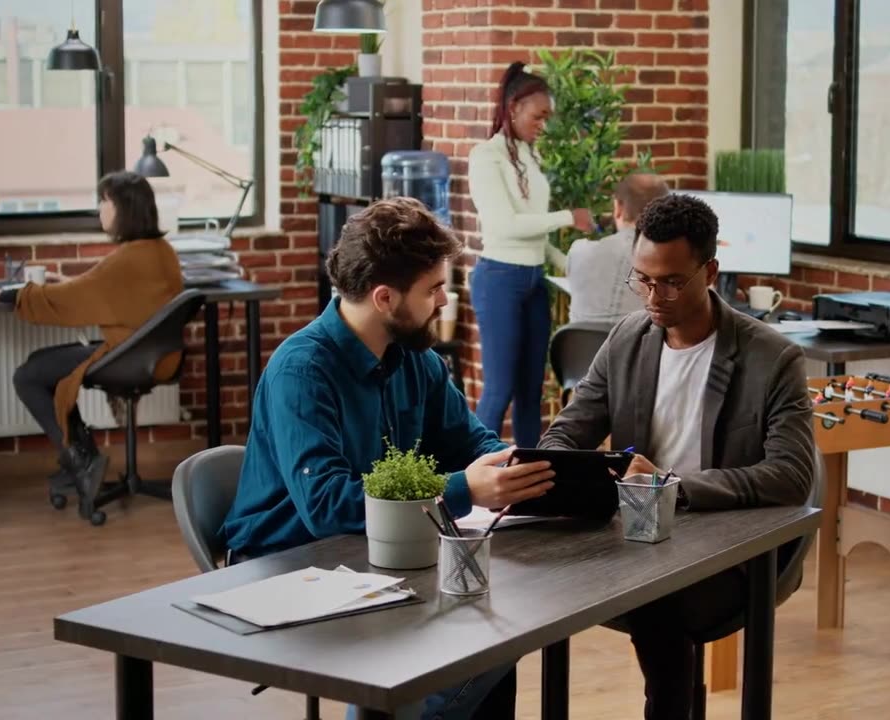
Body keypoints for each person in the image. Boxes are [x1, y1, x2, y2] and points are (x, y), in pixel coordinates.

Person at [220, 197, 556, 720]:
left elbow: (469, 441)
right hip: (289, 561)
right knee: (467, 644)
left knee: (494, 632)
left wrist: (517, 467)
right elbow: (328, 506)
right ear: (384, 297)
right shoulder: (302, 371)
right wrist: (464, 488)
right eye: (433, 290)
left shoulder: (415, 358)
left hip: (378, 553)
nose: (444, 301)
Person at [538, 193, 816, 720]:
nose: (652, 295)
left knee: (653, 598)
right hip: (640, 537)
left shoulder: (772, 357)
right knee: (549, 575)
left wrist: (672, 485)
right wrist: (566, 474)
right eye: (642, 278)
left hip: (730, 547)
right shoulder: (627, 340)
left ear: (710, 271)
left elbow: (792, 475)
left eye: (670, 281)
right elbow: (566, 434)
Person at [0, 171, 184, 508]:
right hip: (155, 356)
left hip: (127, 357)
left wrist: (3, 296)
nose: (99, 209)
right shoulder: (163, 252)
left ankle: (82, 461)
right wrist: (72, 283)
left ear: (123, 209)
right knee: (42, 365)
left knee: (29, 375)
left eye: (104, 202)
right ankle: (81, 458)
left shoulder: (126, 260)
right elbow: (114, 294)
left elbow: (75, 298)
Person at [467, 60, 595, 448]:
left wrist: (572, 264)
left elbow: (535, 233)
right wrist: (568, 217)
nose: (543, 125)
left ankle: (531, 475)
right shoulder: (485, 157)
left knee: (530, 391)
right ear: (513, 107)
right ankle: (472, 471)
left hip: (533, 280)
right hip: (499, 281)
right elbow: (506, 226)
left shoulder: (529, 155)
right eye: (538, 116)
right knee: (500, 388)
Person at [565, 171, 669, 324]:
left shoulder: (578, 252)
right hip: (640, 347)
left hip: (582, 348)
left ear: (618, 207)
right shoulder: (673, 264)